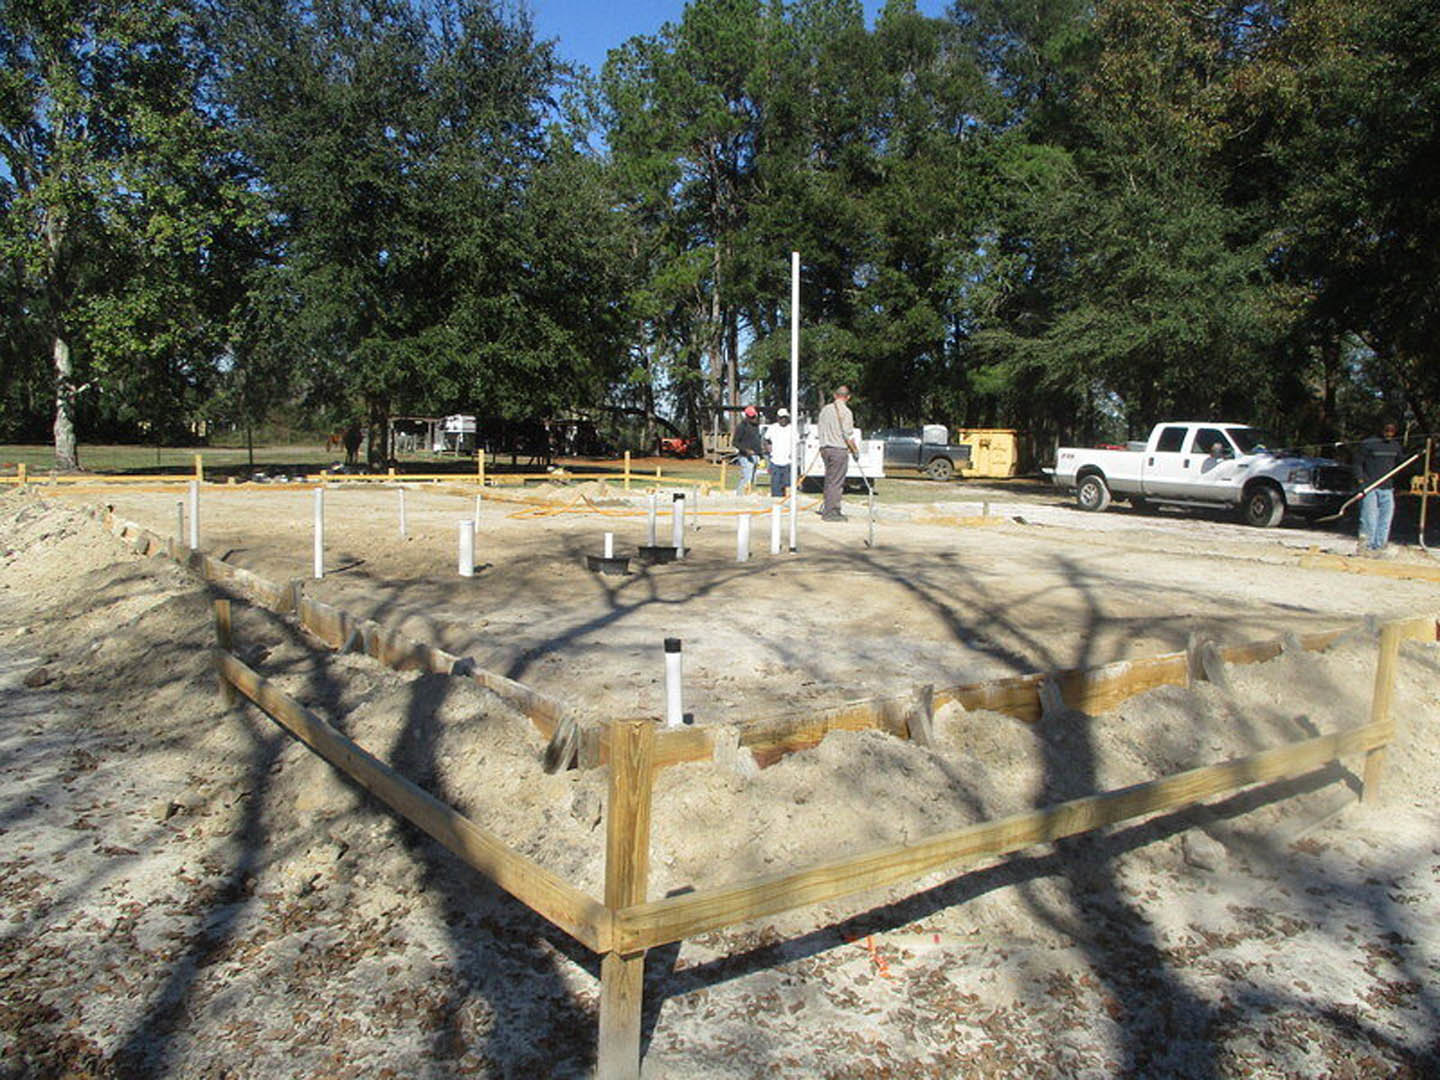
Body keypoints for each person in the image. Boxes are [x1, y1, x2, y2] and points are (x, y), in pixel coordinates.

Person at [1356, 418, 1403, 556]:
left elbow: (1401, 464)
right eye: (1386, 430)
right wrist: (1361, 482)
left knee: (1385, 519)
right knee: (1369, 519)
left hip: (1387, 488)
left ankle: (1379, 546)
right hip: (1370, 488)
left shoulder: (1396, 446)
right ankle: (1365, 547)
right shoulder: (1368, 444)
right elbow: (1357, 464)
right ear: (1381, 429)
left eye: (1392, 431)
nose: (1389, 434)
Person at [816, 385, 858, 521]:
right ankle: (831, 512)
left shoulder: (825, 410)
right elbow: (847, 435)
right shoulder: (846, 412)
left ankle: (827, 507)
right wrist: (855, 450)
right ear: (848, 397)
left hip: (824, 449)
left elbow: (820, 429)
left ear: (835, 395)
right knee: (836, 482)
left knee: (829, 480)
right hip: (838, 450)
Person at [732, 405, 764, 495]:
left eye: (754, 416)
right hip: (745, 456)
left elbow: (757, 441)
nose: (753, 418)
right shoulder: (741, 426)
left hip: (755, 455)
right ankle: (740, 494)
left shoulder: (756, 426)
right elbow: (735, 442)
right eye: (751, 417)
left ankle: (745, 494)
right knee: (747, 477)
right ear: (746, 416)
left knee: (752, 477)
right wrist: (746, 450)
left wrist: (761, 456)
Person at [763, 408, 794, 498]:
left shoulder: (792, 428)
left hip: (788, 462)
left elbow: (797, 442)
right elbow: (766, 439)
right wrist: (768, 447)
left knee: (787, 485)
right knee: (775, 486)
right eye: (781, 418)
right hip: (775, 461)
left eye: (785, 418)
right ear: (778, 418)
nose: (783, 420)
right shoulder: (773, 428)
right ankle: (776, 504)